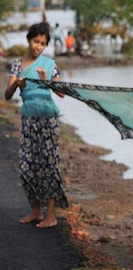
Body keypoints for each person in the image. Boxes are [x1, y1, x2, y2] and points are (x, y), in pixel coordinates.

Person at [4, 21, 68, 228]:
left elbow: (61, 93)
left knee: (49, 165)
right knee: (26, 166)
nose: (37, 46)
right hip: (29, 120)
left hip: (47, 119)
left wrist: (46, 80)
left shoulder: (49, 65)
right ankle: (35, 212)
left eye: (42, 43)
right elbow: (7, 94)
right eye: (35, 41)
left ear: (46, 45)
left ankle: (51, 216)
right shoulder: (17, 64)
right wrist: (17, 83)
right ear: (29, 40)